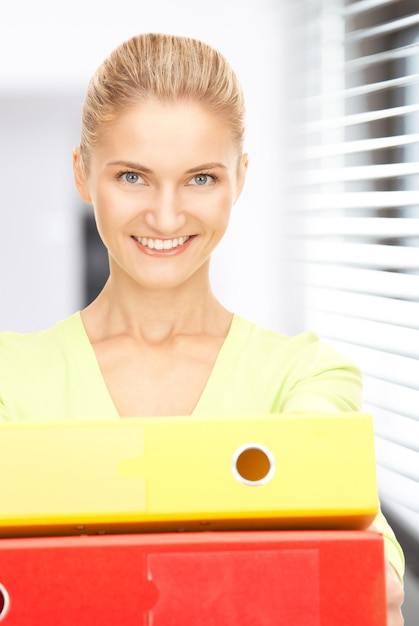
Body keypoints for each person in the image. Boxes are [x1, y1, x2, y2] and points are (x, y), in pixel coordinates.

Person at [0, 33, 404, 622]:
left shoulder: (305, 377)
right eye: (132, 177)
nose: (165, 215)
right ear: (83, 175)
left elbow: (375, 586)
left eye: (201, 178)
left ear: (240, 178)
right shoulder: (9, 380)